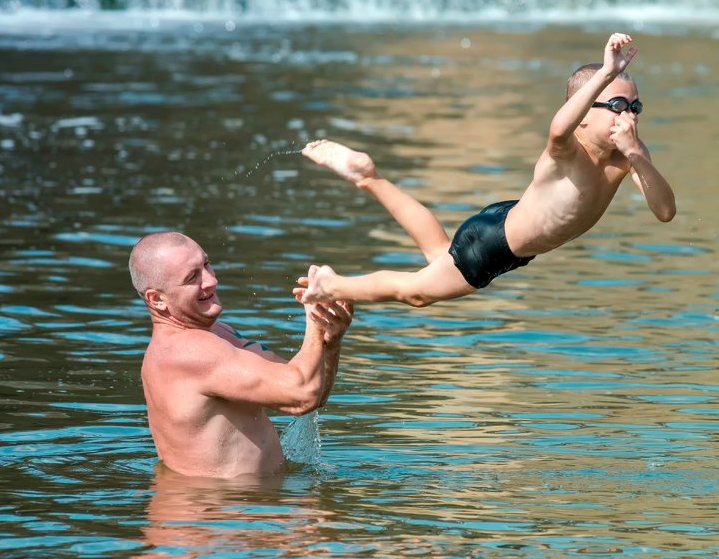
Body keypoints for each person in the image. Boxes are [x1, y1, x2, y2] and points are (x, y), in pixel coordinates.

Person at [296, 32, 676, 307]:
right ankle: (331, 285)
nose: (627, 117)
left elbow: (665, 211)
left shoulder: (628, 155)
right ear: (583, 115)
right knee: (416, 293)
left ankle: (368, 176)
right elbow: (558, 127)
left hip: (510, 228)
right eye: (615, 106)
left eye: (634, 108)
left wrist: (638, 156)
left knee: (439, 252)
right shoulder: (567, 150)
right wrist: (605, 73)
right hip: (494, 244)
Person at [130, 231, 354, 478]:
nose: (211, 280)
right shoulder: (187, 351)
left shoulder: (218, 334)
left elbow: (311, 391)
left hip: (246, 506)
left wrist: (329, 340)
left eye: (206, 264)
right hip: (213, 510)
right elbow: (301, 394)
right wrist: (314, 316)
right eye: (192, 277)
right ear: (157, 299)